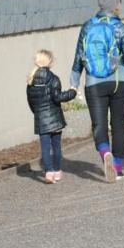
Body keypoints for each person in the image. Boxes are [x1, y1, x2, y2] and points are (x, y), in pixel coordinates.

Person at [70, 0, 124, 182]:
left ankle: (105, 153)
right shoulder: (121, 27)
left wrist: (74, 82)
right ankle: (118, 167)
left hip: (94, 83)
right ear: (115, 5)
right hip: (119, 82)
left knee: (99, 124)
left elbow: (78, 57)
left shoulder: (88, 27)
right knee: (118, 125)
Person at [26, 49, 76, 184]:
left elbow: (31, 102)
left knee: (45, 148)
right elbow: (58, 97)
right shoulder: (53, 78)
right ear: (50, 62)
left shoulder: (31, 80)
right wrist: (72, 92)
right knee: (56, 147)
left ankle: (48, 173)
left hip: (41, 119)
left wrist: (38, 114)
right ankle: (57, 171)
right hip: (55, 119)